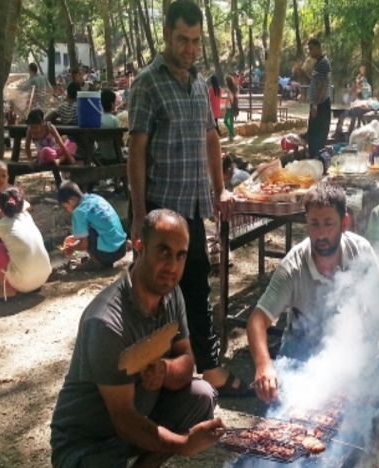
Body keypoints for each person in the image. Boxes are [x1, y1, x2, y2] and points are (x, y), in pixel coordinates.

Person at [128, 0, 248, 397]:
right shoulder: (148, 83)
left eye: (196, 41)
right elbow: (137, 148)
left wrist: (221, 189)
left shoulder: (200, 84)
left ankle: (203, 368)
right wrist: (139, 212)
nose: (190, 48)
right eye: (183, 39)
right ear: (167, 34)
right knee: (156, 291)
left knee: (195, 287)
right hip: (162, 210)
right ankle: (148, 375)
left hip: (194, 209)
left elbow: (211, 138)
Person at [50, 209, 224, 468]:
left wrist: (165, 371)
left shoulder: (171, 292)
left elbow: (187, 361)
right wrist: (183, 444)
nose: (172, 266)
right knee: (100, 467)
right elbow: (124, 420)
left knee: (202, 395)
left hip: (139, 414)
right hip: (91, 437)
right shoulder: (106, 322)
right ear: (140, 247)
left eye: (181, 255)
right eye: (164, 252)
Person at [246, 182, 379, 403]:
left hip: (352, 346)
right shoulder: (293, 267)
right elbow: (257, 321)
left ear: (344, 222)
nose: (321, 234)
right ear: (306, 223)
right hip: (302, 349)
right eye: (314, 224)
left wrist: (362, 361)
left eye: (328, 223)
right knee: (288, 404)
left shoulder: (362, 251)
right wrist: (263, 365)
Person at [0, 188, 52, 301]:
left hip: (24, 284)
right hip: (43, 277)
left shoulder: (1, 224)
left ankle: (7, 289)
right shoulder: (26, 215)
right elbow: (26, 204)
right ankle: (15, 281)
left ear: (0, 208)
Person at [58, 181, 128, 269]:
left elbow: (84, 245)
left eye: (66, 206)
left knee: (90, 235)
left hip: (110, 253)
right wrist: (74, 237)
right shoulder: (95, 198)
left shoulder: (79, 211)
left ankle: (98, 262)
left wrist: (72, 248)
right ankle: (99, 258)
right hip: (121, 247)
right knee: (91, 232)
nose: (67, 210)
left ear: (72, 201)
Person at [305, 38, 332, 159]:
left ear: (318, 48)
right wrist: (301, 72)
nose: (309, 52)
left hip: (321, 104)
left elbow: (323, 85)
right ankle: (313, 156)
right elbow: (314, 82)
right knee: (312, 132)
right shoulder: (318, 63)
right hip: (316, 103)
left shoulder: (324, 63)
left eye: (311, 49)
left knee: (318, 133)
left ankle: (318, 158)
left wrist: (315, 104)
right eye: (308, 49)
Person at [97, 88, 122, 162]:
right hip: (114, 157)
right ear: (112, 104)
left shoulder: (98, 119)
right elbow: (119, 141)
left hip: (100, 158)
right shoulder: (115, 120)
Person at [223, 75, 239, 141]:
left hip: (229, 107)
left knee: (225, 121)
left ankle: (232, 133)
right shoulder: (235, 88)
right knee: (231, 122)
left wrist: (225, 107)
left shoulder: (229, 90)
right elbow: (236, 97)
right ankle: (231, 137)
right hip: (234, 107)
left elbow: (228, 99)